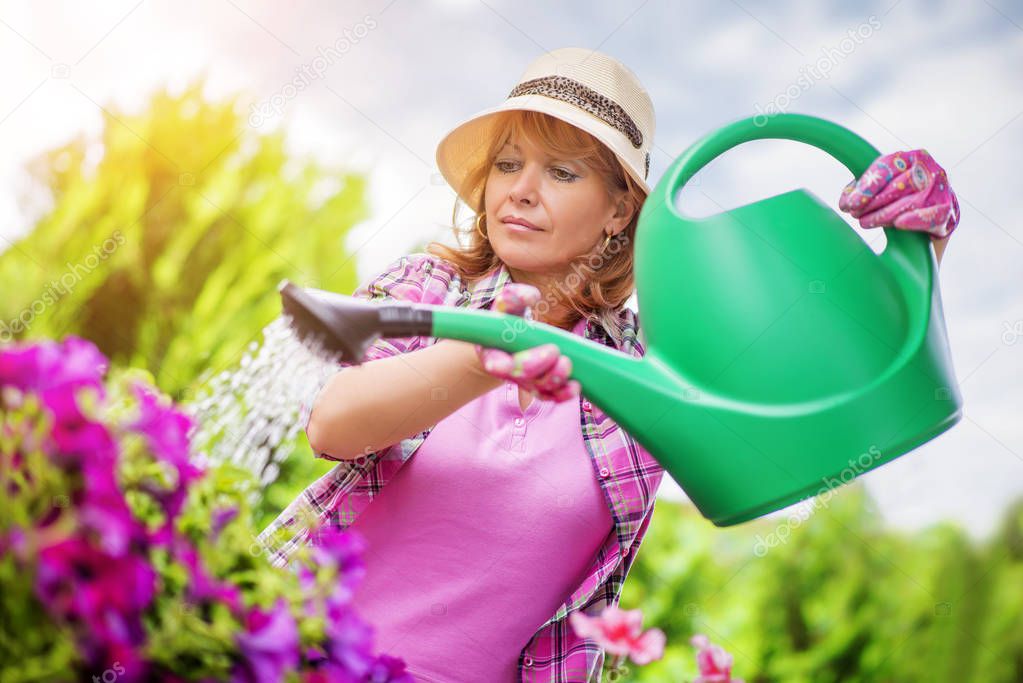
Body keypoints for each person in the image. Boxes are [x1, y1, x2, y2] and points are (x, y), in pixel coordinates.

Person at [258, 47, 960, 682]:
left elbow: (817, 411)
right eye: (508, 164)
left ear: (619, 210)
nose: (520, 190)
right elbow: (335, 424)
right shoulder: (428, 290)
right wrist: (477, 356)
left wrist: (916, 249)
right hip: (293, 656)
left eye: (560, 171)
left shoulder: (653, 369)